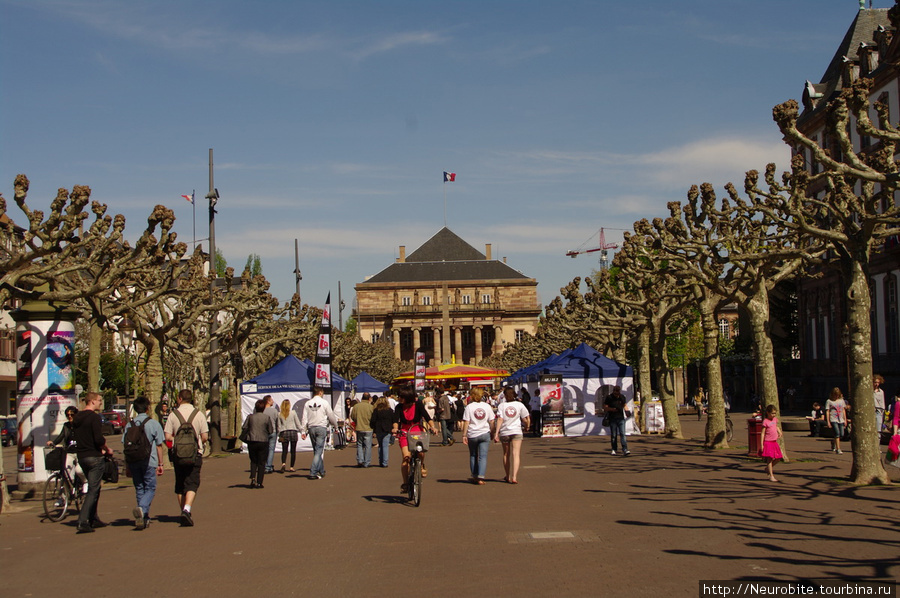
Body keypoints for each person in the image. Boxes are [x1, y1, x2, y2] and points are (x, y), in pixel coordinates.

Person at [164, 389, 209, 527]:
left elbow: (167, 437)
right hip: (195, 453)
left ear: (179, 399)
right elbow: (205, 436)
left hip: (178, 455)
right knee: (192, 482)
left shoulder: (173, 415)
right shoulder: (199, 414)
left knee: (180, 483)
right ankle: (187, 509)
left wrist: (178, 440)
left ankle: (182, 510)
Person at [72, 392, 113, 534]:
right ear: (93, 401)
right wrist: (106, 449)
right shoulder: (94, 418)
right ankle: (83, 521)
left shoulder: (77, 418)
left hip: (82, 456)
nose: (101, 403)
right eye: (100, 400)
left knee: (93, 487)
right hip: (94, 456)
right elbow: (98, 439)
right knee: (93, 489)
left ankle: (93, 518)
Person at [122, 396, 165, 529]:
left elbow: (125, 446)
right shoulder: (153, 424)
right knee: (150, 487)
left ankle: (143, 517)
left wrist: (126, 465)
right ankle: (142, 508)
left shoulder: (130, 425)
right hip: (149, 460)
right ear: (148, 408)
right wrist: (160, 464)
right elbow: (159, 445)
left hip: (133, 460)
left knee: (139, 487)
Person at [391, 386, 437, 492]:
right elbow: (395, 419)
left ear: (407, 397)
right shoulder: (399, 407)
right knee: (406, 458)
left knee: (420, 452)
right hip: (404, 432)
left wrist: (432, 427)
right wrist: (395, 428)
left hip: (417, 431)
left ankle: (421, 465)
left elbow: (426, 417)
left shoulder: (418, 405)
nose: (399, 398)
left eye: (401, 396)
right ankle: (406, 483)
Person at [300, 386, 338, 480]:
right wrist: (336, 426)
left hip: (311, 427)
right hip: (321, 427)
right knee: (319, 451)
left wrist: (303, 431)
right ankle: (313, 472)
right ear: (320, 392)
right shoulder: (324, 402)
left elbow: (304, 418)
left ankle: (321, 470)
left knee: (316, 451)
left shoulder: (307, 403)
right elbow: (331, 415)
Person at [494, 387, 530, 484]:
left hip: (505, 431)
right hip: (516, 431)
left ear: (505, 396)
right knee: (516, 454)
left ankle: (507, 475)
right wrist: (527, 426)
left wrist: (496, 433)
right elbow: (525, 418)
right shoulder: (519, 405)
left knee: (506, 454)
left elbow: (500, 419)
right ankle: (514, 476)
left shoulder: (502, 406)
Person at [461, 387, 496, 485]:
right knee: (483, 456)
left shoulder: (469, 407)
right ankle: (481, 476)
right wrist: (492, 432)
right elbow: (492, 421)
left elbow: (466, 422)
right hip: (485, 433)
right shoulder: (487, 406)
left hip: (472, 433)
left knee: (473, 455)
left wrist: (464, 435)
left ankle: (474, 475)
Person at [242, 399, 273, 488]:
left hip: (252, 440)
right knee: (262, 462)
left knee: (253, 460)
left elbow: (244, 427)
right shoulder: (266, 418)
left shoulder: (250, 417)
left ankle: (252, 478)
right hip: (263, 441)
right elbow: (270, 430)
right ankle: (259, 482)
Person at [604, 386, 630, 456]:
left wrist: (627, 411)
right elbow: (605, 407)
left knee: (623, 434)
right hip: (612, 418)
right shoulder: (609, 397)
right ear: (613, 391)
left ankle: (625, 449)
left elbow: (624, 405)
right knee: (614, 435)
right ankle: (614, 449)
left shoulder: (622, 397)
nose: (616, 394)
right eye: (615, 392)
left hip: (621, 418)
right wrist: (612, 409)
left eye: (618, 392)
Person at [276, 399, 301, 472]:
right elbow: (297, 423)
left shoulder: (279, 414)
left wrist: (279, 434)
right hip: (293, 431)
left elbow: (279, 426)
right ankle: (291, 467)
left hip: (284, 432)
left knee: (284, 450)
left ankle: (283, 464)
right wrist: (302, 430)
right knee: (293, 450)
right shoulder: (293, 413)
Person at [350, 393, 375, 468]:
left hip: (359, 427)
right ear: (369, 398)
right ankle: (367, 462)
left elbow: (353, 416)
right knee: (368, 446)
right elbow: (373, 418)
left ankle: (360, 460)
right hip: (368, 428)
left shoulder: (356, 406)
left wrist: (357, 421)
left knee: (360, 444)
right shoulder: (371, 407)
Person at [371, 397, 395, 467]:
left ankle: (381, 461)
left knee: (380, 446)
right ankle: (385, 462)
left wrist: (373, 429)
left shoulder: (376, 410)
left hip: (378, 429)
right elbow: (393, 420)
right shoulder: (390, 410)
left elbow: (373, 420)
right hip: (387, 430)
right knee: (385, 446)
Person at [825, 387, 847, 455]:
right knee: (837, 433)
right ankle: (838, 449)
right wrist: (828, 421)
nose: (836, 396)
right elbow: (827, 411)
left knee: (841, 434)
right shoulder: (829, 401)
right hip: (833, 419)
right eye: (835, 395)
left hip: (841, 419)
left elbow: (843, 410)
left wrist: (845, 419)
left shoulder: (841, 401)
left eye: (837, 395)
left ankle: (834, 442)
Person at [263, 395, 278, 474]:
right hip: (273, 431)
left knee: (264, 450)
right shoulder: (274, 411)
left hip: (263, 432)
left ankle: (264, 465)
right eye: (271, 400)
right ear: (268, 401)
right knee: (271, 450)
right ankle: (268, 466)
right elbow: (277, 422)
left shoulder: (261, 410)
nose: (273, 401)